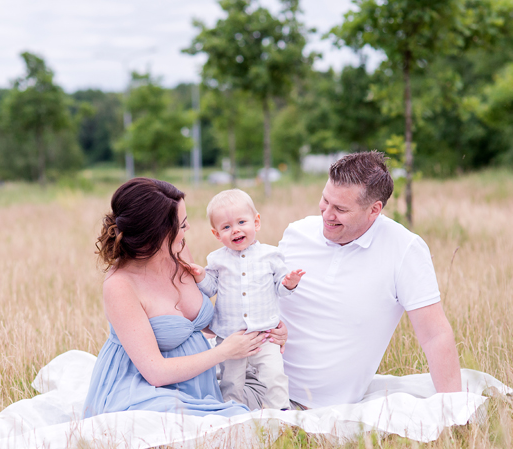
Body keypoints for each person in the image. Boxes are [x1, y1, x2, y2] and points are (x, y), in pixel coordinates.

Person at [275, 151, 463, 409]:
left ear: (374, 210)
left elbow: (435, 335)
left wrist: (453, 410)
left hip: (324, 406)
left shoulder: (404, 249)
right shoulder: (297, 233)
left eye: (340, 209)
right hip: (261, 384)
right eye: (325, 200)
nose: (327, 214)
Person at [82, 177, 269, 418]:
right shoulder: (120, 285)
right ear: (156, 233)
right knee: (181, 420)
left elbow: (210, 326)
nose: (187, 229)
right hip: (143, 387)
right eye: (181, 225)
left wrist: (266, 325)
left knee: (265, 391)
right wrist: (224, 352)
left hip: (198, 384)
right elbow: (155, 372)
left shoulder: (178, 251)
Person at [187, 189, 305, 410]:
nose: (236, 230)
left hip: (265, 334)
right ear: (216, 234)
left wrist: (289, 282)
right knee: (231, 380)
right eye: (226, 227)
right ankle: (234, 412)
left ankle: (279, 412)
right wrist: (201, 276)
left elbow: (281, 289)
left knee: (274, 375)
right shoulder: (217, 259)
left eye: (242, 222)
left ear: (256, 222)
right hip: (230, 336)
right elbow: (210, 289)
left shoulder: (271, 255)